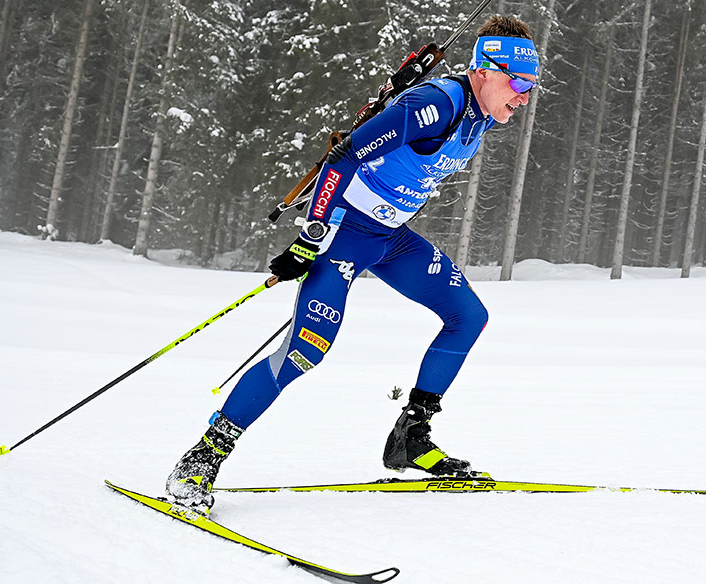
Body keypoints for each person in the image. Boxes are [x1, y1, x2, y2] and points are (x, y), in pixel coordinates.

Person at [164, 15, 539, 513]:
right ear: (485, 71)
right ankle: (202, 459)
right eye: (518, 83)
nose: (524, 96)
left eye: (531, 86)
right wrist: (311, 236)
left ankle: (411, 437)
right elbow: (344, 157)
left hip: (389, 239)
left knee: (468, 317)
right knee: (304, 352)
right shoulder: (434, 105)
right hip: (343, 238)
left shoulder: (479, 114)